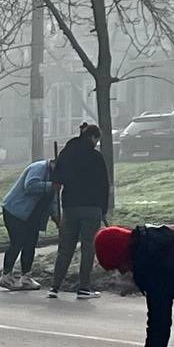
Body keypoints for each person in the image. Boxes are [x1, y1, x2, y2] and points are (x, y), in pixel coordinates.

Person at [49, 123, 109, 299]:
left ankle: (54, 287)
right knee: (88, 247)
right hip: (91, 208)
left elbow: (57, 180)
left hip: (70, 207)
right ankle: (83, 288)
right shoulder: (96, 157)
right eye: (97, 139)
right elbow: (104, 185)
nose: (97, 143)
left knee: (65, 248)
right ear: (93, 137)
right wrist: (103, 210)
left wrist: (57, 208)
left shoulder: (67, 153)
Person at [0, 159, 57, 291]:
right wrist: (50, 185)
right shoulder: (39, 168)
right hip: (15, 211)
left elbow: (53, 201)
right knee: (17, 242)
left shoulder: (55, 178)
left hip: (33, 215)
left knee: (30, 244)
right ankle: (6, 275)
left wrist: (58, 219)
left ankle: (26, 277)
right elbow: (29, 185)